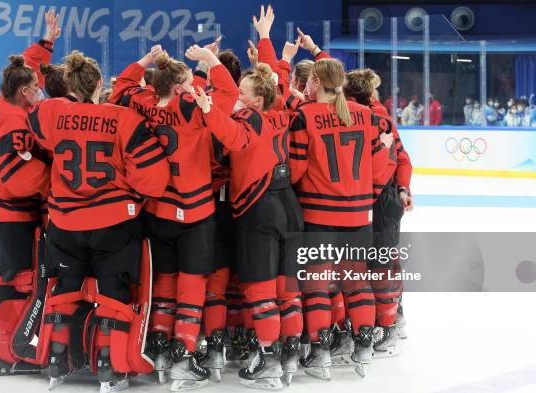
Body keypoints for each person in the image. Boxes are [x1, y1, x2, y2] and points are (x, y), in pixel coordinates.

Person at [27, 50, 170, 392]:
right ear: (99, 84)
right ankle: (110, 366)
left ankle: (57, 360)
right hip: (113, 223)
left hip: (64, 223)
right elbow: (153, 179)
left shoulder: (51, 111)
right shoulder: (123, 118)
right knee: (113, 291)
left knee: (63, 290)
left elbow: (38, 128)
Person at [109, 44, 238, 391]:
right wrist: (210, 61)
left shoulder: (144, 102)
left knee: (164, 283)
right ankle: (184, 355)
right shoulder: (191, 107)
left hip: (157, 208)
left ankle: (162, 350)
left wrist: (146, 62)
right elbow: (228, 93)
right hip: (195, 210)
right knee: (192, 283)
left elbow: (121, 87)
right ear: (180, 87)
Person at [192, 61, 303, 390]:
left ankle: (268, 360)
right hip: (289, 203)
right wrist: (271, 48)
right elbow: (277, 81)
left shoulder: (249, 117)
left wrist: (209, 109)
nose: (237, 97)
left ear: (255, 100)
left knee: (261, 289)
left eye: (242, 93)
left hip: (260, 208)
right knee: (288, 290)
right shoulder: (279, 109)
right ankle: (290, 355)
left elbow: (233, 137)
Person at [289, 58, 395, 380]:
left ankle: (320, 354)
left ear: (316, 82)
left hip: (319, 215)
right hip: (359, 215)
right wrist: (364, 197)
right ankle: (364, 346)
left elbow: (295, 171)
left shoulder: (304, 116)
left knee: (317, 285)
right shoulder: (366, 115)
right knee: (357, 280)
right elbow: (381, 168)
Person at [0, 9, 60, 375]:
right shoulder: (15, 122)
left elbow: (27, 65)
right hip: (6, 214)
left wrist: (47, 41)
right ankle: (7, 353)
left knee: (0, 274)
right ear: (25, 92)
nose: (39, 89)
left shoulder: (6, 97)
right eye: (35, 87)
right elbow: (18, 179)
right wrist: (57, 176)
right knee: (16, 278)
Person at [345, 68, 413, 359]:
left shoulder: (376, 118)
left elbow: (401, 157)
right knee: (373, 262)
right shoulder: (374, 114)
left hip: (380, 199)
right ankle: (386, 319)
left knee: (382, 262)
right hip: (376, 198)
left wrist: (401, 188)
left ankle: (388, 324)